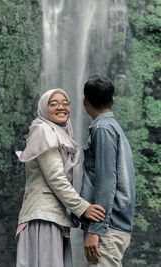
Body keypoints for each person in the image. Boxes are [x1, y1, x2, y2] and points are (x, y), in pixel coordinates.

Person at [15, 88, 105, 267]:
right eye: (53, 103)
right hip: (44, 217)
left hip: (53, 217)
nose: (61, 107)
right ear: (43, 108)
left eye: (65, 103)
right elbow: (55, 178)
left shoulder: (59, 132)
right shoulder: (44, 131)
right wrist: (82, 207)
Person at [80, 75, 135, 267]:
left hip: (107, 228)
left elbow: (106, 181)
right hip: (114, 224)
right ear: (113, 100)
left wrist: (96, 229)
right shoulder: (113, 127)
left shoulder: (103, 129)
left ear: (85, 102)